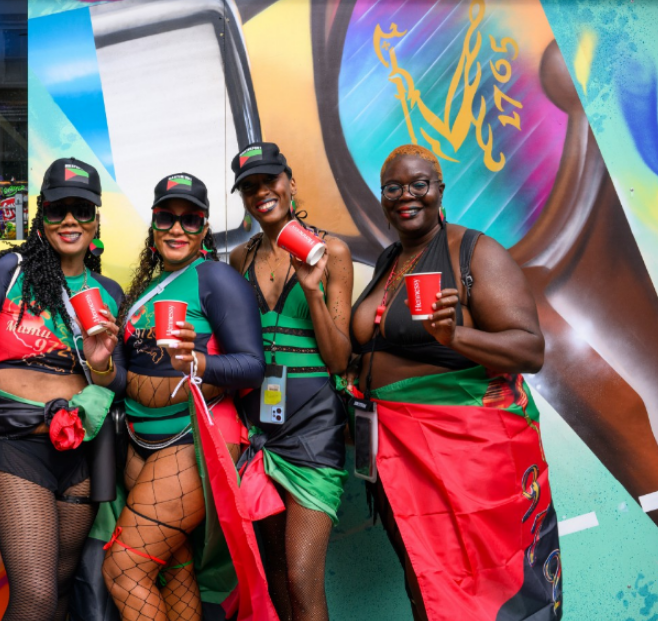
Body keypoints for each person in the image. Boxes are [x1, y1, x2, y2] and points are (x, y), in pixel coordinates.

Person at [349, 144, 561, 620]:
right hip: (395, 451)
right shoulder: (389, 261)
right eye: (393, 187)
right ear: (382, 198)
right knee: (426, 579)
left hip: (466, 452)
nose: (407, 195)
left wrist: (456, 335)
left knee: (493, 583)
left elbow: (531, 350)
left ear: (439, 190)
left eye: (419, 184)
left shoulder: (474, 251)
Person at [0, 158, 126, 621]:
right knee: (36, 596)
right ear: (40, 214)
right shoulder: (10, 270)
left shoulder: (109, 293)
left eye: (82, 210)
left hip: (80, 456)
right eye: (58, 209)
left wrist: (101, 361)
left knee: (63, 588)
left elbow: (117, 383)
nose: (70, 220)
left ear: (96, 219)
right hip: (15, 447)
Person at [102, 173, 265, 621]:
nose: (178, 229)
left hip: (192, 440)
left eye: (191, 220)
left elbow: (253, 365)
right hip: (141, 443)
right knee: (173, 569)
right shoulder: (144, 291)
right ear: (153, 225)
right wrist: (99, 361)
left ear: (204, 228)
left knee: (123, 569)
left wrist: (199, 361)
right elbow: (121, 377)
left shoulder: (213, 277)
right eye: (167, 218)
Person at [227, 142, 353, 621]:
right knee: (274, 573)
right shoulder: (238, 259)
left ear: (291, 182)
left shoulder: (332, 251)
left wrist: (312, 289)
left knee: (302, 577)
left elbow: (339, 359)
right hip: (257, 429)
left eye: (270, 181)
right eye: (249, 187)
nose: (262, 193)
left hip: (315, 428)